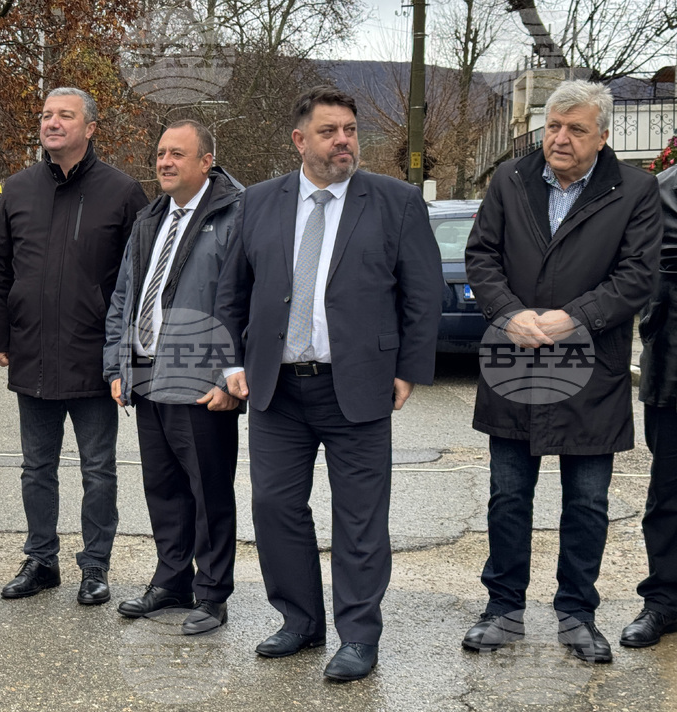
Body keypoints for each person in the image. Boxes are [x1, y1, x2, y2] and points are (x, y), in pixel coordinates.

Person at [214, 85, 442, 681]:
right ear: (299, 140)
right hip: (276, 389)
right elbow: (231, 292)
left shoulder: (394, 201)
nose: (343, 140)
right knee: (274, 506)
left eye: (350, 129)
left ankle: (359, 636)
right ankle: (299, 621)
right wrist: (232, 364)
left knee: (360, 517)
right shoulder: (260, 202)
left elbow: (422, 294)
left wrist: (407, 369)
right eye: (329, 131)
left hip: (358, 386)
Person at [462, 80, 662, 663]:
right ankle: (503, 610)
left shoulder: (635, 189)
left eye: (576, 129)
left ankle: (577, 613)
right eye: (553, 126)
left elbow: (636, 277)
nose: (560, 138)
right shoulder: (510, 180)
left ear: (603, 136)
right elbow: (482, 257)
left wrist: (571, 319)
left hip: (588, 367)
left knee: (587, 502)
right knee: (507, 495)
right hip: (515, 358)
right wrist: (509, 313)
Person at [0, 87, 148, 606]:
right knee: (36, 467)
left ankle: (95, 566)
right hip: (31, 352)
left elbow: (138, 280)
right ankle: (41, 560)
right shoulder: (17, 189)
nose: (52, 123)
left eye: (65, 115)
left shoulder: (122, 193)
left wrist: (125, 353)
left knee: (97, 468)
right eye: (46, 115)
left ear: (91, 127)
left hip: (93, 357)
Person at [104, 120, 243, 634]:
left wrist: (230, 377)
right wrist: (116, 364)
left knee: (208, 490)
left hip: (201, 377)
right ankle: (172, 579)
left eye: (177, 154)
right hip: (146, 373)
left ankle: (211, 593)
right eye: (160, 153)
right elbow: (125, 295)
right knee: (162, 488)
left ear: (206, 160)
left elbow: (244, 303)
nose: (164, 162)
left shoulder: (234, 215)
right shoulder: (150, 218)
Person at [621, 163, 677, 648]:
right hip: (674, 370)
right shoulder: (662, 191)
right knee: (669, 495)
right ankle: (663, 602)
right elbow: (646, 275)